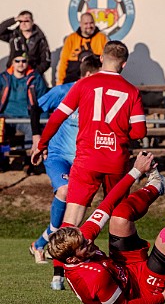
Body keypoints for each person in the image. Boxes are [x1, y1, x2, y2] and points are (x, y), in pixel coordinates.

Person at [47, 151, 165, 304]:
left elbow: (107, 203)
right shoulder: (93, 278)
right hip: (142, 290)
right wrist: (164, 296)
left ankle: (156, 185)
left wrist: (136, 171)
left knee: (119, 216)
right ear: (71, 258)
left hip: (125, 267)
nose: (89, 240)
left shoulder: (81, 240)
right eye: (83, 245)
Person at [31, 40, 147, 228]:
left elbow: (56, 118)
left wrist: (42, 144)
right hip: (115, 159)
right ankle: (118, 257)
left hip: (87, 158)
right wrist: (117, 135)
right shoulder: (132, 91)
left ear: (101, 59)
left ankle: (64, 257)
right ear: (124, 64)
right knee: (117, 213)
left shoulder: (83, 84)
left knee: (73, 215)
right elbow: (140, 132)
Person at [29, 55, 102, 291]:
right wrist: (37, 138)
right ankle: (52, 256)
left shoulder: (97, 96)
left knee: (77, 208)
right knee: (65, 190)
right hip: (58, 156)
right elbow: (35, 107)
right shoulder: (64, 91)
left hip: (83, 159)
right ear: (90, 75)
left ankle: (40, 244)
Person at [0, 51, 47, 152]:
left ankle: (28, 160)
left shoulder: (35, 78)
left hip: (27, 117)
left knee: (34, 130)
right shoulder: (3, 78)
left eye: (24, 61)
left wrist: (43, 122)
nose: (20, 64)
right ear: (12, 62)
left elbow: (43, 102)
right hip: (5, 116)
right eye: (17, 61)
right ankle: (2, 159)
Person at [57, 12, 108, 85]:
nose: (89, 26)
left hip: (94, 79)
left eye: (91, 23)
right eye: (86, 23)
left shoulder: (102, 38)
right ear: (80, 24)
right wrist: (60, 83)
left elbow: (107, 61)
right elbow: (63, 62)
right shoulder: (71, 38)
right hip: (72, 79)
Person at [0, 10, 51, 78]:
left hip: (32, 76)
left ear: (32, 22)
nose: (23, 23)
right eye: (21, 21)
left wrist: (35, 72)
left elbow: (46, 60)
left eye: (26, 21)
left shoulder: (40, 38)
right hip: (13, 75)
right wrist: (14, 19)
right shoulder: (13, 35)